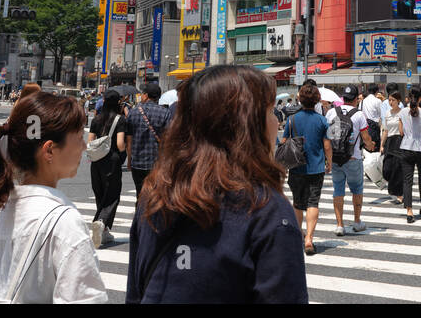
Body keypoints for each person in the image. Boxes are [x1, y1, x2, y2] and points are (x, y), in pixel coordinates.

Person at [127, 65, 307, 302]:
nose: (276, 122)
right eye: (270, 111)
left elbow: (136, 294)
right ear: (246, 125)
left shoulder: (155, 197)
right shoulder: (265, 210)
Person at [0, 92, 107, 302]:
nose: (84, 146)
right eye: (78, 138)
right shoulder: (64, 221)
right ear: (49, 150)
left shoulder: (7, 211)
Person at [282, 83, 330, 256]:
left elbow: (284, 141)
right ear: (317, 99)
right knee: (313, 202)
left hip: (296, 167)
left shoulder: (292, 119)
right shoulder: (321, 120)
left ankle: (298, 237)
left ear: (300, 99)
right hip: (316, 167)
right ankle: (309, 238)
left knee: (297, 203)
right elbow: (327, 145)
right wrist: (329, 162)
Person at [327, 86, 376, 236]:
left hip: (335, 158)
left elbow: (327, 136)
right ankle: (356, 221)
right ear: (355, 99)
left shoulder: (330, 112)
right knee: (357, 189)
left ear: (343, 98)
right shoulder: (359, 115)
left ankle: (340, 225)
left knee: (338, 190)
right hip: (353, 157)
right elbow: (366, 138)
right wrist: (372, 146)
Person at [117, 82, 171, 199]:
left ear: (146, 95)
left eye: (142, 94)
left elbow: (129, 140)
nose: (141, 96)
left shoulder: (133, 113)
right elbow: (168, 139)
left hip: (138, 162)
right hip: (157, 163)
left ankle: (140, 214)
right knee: (155, 195)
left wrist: (130, 160)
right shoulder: (165, 113)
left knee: (140, 193)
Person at [88, 91, 128, 247]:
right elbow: (120, 144)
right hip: (112, 161)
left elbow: (90, 141)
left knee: (100, 194)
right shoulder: (120, 120)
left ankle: (103, 231)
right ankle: (101, 222)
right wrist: (123, 154)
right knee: (112, 195)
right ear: (118, 102)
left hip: (96, 160)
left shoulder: (96, 119)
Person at [398, 88, 421, 222]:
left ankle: (409, 210)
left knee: (407, 180)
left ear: (408, 98)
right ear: (420, 99)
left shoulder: (402, 113)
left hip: (406, 148)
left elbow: (401, 133)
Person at [381, 90, 405, 203]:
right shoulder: (387, 113)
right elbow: (386, 130)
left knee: (398, 168)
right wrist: (381, 145)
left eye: (393, 100)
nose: (391, 102)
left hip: (400, 141)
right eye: (389, 100)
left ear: (398, 100)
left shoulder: (403, 112)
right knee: (387, 168)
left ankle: (400, 193)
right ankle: (393, 188)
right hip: (390, 141)